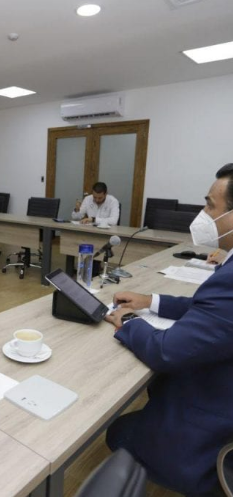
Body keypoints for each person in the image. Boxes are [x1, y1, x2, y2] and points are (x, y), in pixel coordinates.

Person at [104, 163, 233, 496]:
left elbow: (166, 351)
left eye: (210, 205)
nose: (204, 214)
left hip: (212, 429)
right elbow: (212, 311)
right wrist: (151, 301)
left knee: (117, 431)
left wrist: (128, 321)